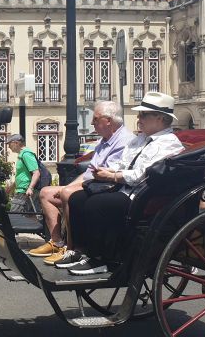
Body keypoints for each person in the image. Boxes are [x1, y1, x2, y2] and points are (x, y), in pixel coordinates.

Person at [64, 92, 186, 275]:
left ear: (160, 118)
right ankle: (85, 251)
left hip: (144, 196)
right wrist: (109, 172)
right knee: (77, 198)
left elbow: (142, 174)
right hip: (125, 189)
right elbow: (124, 164)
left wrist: (113, 177)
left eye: (144, 114)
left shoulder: (168, 144)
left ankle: (103, 258)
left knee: (96, 205)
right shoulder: (139, 139)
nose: (139, 118)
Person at [31, 100, 134, 268]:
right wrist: (67, 187)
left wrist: (68, 190)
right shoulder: (103, 141)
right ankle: (57, 242)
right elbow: (89, 173)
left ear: (108, 120)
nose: (92, 122)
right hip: (94, 183)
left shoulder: (124, 141)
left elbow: (103, 176)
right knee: (46, 192)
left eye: (96, 118)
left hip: (109, 186)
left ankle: (73, 249)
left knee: (67, 194)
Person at [5, 134, 44, 214]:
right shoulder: (21, 155)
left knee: (15, 215)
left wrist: (30, 188)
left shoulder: (26, 154)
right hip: (23, 190)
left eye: (9, 144)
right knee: (28, 217)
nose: (8, 147)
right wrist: (12, 187)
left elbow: (36, 173)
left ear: (16, 143)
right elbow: (22, 175)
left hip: (24, 191)